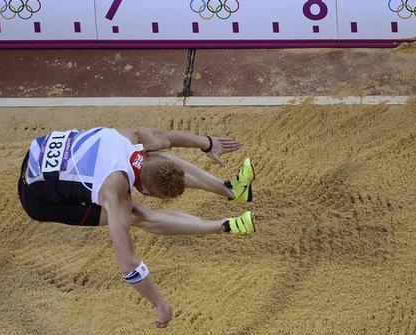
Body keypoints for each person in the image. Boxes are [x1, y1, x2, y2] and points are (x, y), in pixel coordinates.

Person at [17, 126, 255, 328]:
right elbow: (128, 264)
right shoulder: (115, 193)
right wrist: (159, 303)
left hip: (41, 148)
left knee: (162, 161)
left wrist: (207, 143)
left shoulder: (135, 137)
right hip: (38, 198)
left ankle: (233, 190)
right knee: (140, 216)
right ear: (148, 192)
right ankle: (222, 226)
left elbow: (170, 139)